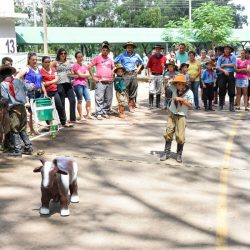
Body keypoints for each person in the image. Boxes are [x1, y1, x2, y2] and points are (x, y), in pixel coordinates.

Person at [0, 66, 34, 156]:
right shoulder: (18, 81)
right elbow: (29, 87)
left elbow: (5, 98)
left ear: (2, 75)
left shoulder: (3, 84)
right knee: (22, 128)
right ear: (11, 74)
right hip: (22, 107)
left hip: (13, 109)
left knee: (14, 129)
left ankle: (17, 149)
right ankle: (28, 147)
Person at [160, 74, 193, 163]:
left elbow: (190, 105)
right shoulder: (174, 88)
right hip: (172, 113)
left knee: (180, 136)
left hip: (182, 115)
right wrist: (172, 79)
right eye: (177, 84)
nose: (178, 86)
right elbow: (169, 83)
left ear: (184, 84)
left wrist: (183, 101)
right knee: (169, 132)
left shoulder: (189, 92)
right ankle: (166, 153)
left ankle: (179, 154)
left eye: (180, 84)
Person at [16, 52, 47, 133]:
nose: (35, 61)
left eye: (36, 59)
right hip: (31, 92)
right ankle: (31, 129)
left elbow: (41, 82)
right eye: (33, 60)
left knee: (43, 108)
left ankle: (49, 125)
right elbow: (17, 78)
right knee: (31, 112)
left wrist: (45, 92)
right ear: (29, 60)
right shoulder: (26, 69)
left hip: (40, 92)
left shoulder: (37, 68)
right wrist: (25, 84)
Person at [114, 41, 143, 113]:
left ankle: (131, 106)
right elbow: (115, 61)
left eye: (131, 47)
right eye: (128, 47)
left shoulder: (136, 55)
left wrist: (138, 68)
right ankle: (120, 106)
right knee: (123, 90)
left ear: (133, 48)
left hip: (133, 74)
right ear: (126, 48)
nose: (129, 48)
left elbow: (141, 62)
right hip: (125, 74)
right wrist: (119, 70)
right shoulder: (122, 55)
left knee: (133, 90)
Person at [88, 44, 114, 120]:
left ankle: (105, 112)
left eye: (106, 50)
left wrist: (112, 74)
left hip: (109, 81)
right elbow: (89, 66)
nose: (105, 51)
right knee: (99, 97)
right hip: (100, 81)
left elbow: (114, 67)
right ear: (101, 51)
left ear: (108, 52)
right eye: (103, 50)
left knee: (108, 98)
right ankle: (99, 113)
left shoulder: (110, 60)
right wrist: (93, 77)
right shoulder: (97, 58)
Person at [40, 56, 67, 126]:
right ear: (42, 63)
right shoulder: (40, 71)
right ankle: (49, 124)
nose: (47, 63)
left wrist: (48, 83)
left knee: (60, 106)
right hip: (46, 92)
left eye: (49, 62)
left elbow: (57, 79)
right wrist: (52, 82)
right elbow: (41, 83)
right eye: (45, 62)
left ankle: (63, 122)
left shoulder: (53, 70)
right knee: (47, 109)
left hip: (54, 91)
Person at [51, 48, 76, 124]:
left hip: (68, 83)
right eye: (61, 53)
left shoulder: (68, 62)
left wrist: (71, 73)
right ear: (58, 54)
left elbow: (72, 71)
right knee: (62, 103)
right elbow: (49, 69)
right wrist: (54, 77)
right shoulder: (55, 62)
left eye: (65, 53)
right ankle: (63, 120)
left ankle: (72, 119)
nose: (63, 55)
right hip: (60, 83)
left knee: (73, 100)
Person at [72, 51, 94, 120]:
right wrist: (84, 75)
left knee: (88, 100)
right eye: (79, 57)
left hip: (84, 84)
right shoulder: (75, 65)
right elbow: (82, 75)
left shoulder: (85, 66)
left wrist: (83, 75)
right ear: (76, 58)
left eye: (81, 57)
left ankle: (89, 114)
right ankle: (81, 116)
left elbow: (86, 74)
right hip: (77, 84)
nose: (80, 58)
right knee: (80, 100)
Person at [216, 45, 236, 111]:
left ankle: (231, 106)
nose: (226, 50)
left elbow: (233, 64)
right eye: (225, 49)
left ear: (230, 50)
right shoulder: (221, 57)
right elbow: (218, 67)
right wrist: (224, 70)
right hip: (222, 74)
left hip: (230, 74)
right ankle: (221, 105)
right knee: (221, 88)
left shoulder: (233, 57)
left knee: (231, 89)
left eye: (228, 49)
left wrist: (224, 65)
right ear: (223, 50)